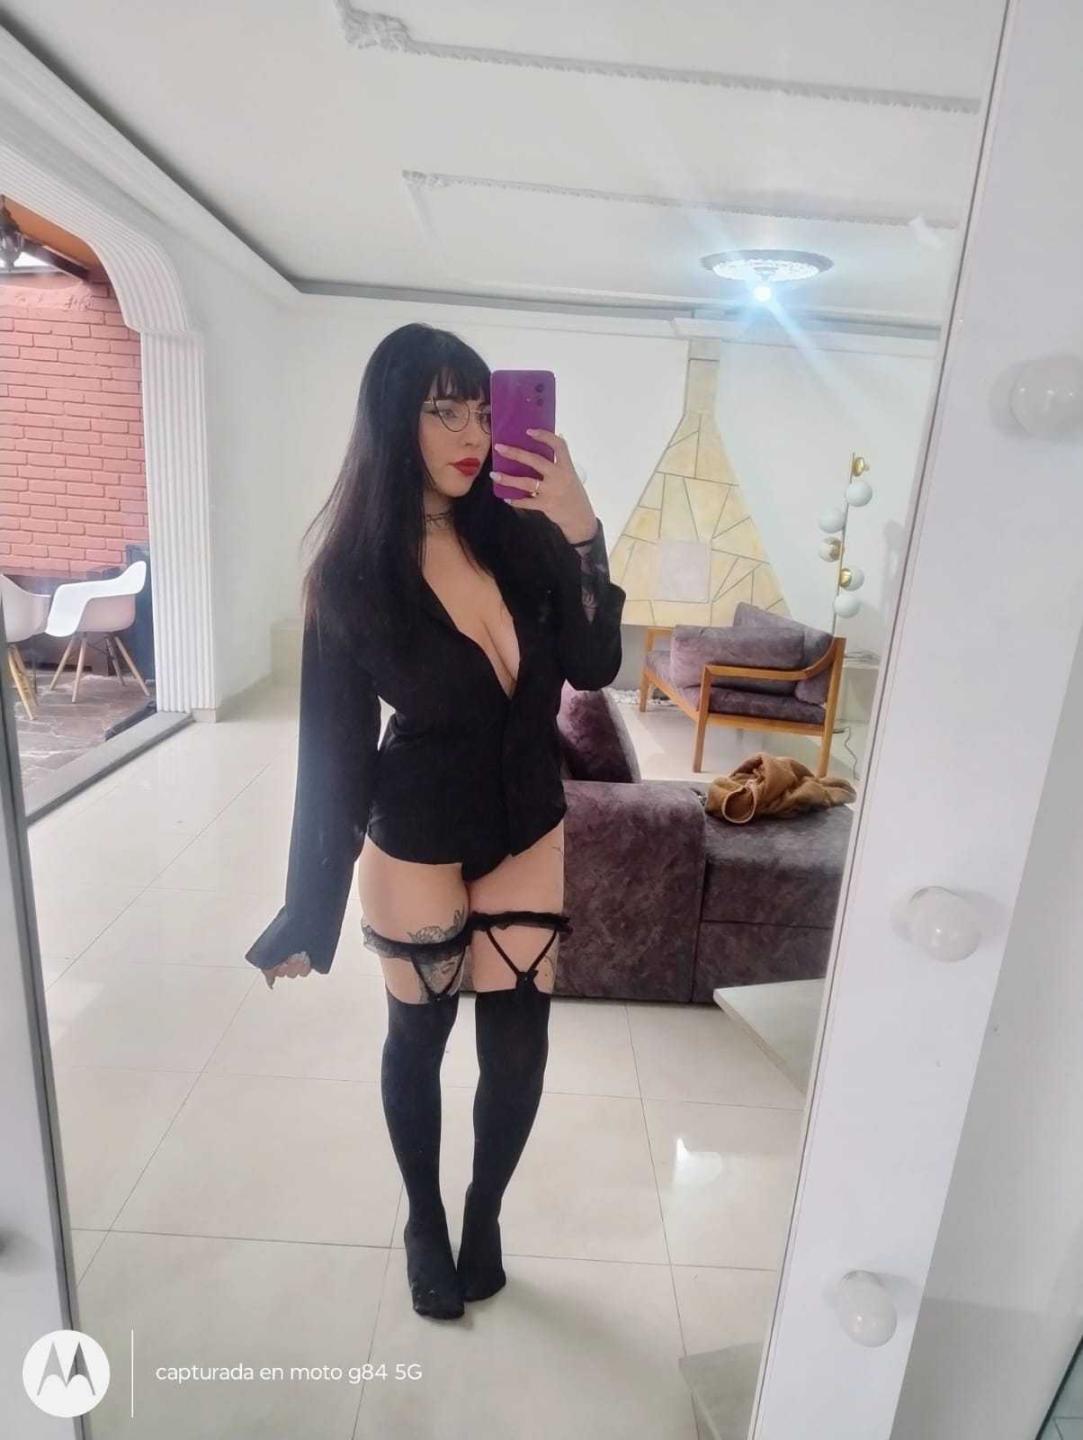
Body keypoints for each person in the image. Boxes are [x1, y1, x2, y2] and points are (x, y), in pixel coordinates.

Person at [245, 322, 626, 1320]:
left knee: (519, 1047)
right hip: (415, 831)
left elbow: (595, 665)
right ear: (393, 420)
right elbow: (332, 756)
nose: (472, 434)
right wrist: (307, 910)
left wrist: (583, 530)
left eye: (482, 410)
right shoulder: (351, 578)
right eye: (442, 409)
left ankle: (483, 1211)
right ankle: (423, 1219)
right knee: (418, 1041)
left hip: (526, 821)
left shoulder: (525, 538)